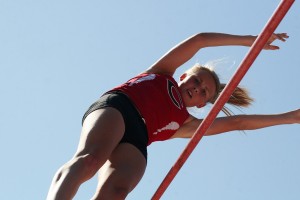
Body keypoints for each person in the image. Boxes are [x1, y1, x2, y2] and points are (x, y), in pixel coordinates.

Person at [47, 32, 299, 200]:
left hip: (138, 138)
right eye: (197, 80)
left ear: (202, 104)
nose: (197, 88)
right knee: (91, 160)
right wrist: (251, 41)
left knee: (118, 191)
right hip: (121, 107)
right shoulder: (162, 72)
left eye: (204, 92)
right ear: (184, 75)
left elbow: (238, 122)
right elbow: (200, 40)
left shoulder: (186, 124)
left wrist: (288, 117)